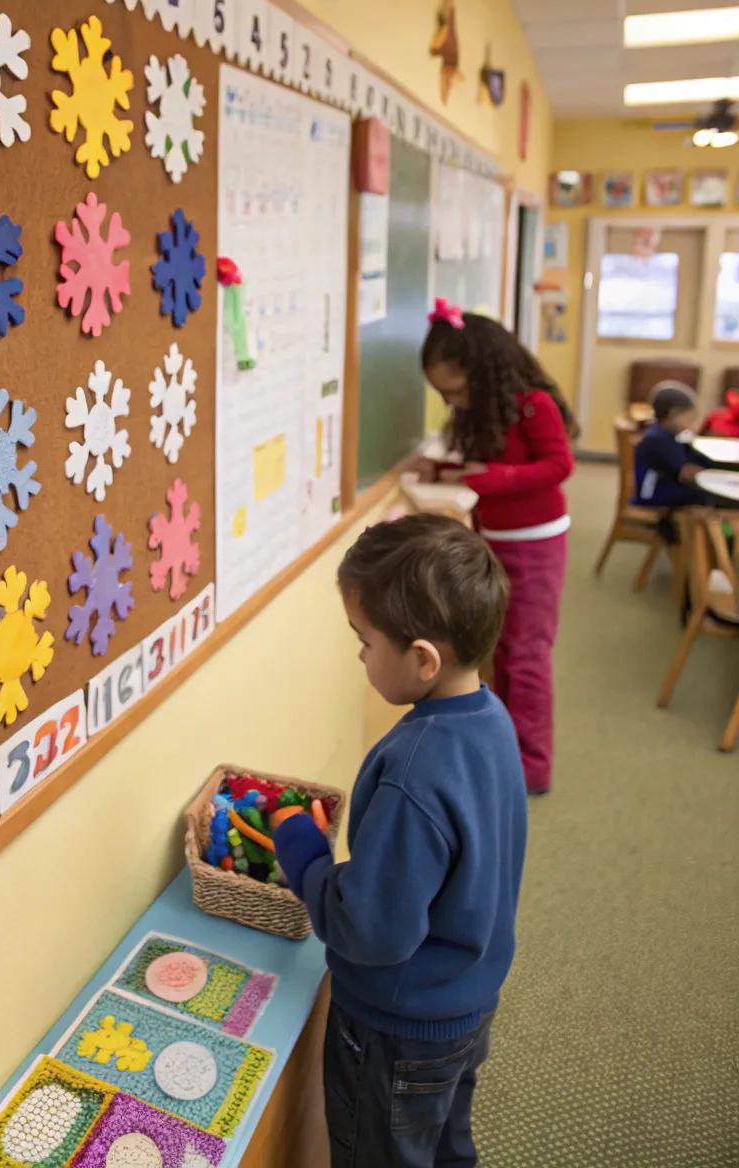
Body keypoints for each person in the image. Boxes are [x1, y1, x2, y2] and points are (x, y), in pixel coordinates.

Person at [272, 514, 525, 1168]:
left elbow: (373, 930)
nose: (359, 656)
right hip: (466, 1003)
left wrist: (305, 856)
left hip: (396, 1031)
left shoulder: (415, 769)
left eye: (364, 641)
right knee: (445, 1142)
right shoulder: (489, 717)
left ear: (422, 660)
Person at [415, 302, 575, 795]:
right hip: (492, 542)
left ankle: (533, 766)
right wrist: (442, 473)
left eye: (457, 390)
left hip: (536, 543)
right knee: (496, 648)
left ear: (484, 372)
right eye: (443, 393)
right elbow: (480, 465)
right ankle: (502, 748)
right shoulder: (484, 413)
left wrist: (495, 479)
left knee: (525, 654)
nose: (452, 401)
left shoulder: (532, 404)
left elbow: (558, 465)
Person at [633, 383, 712, 508]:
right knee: (704, 494)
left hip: (656, 486)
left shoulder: (662, 432)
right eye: (689, 417)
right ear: (673, 414)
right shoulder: (659, 439)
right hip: (650, 494)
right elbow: (684, 473)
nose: (691, 422)